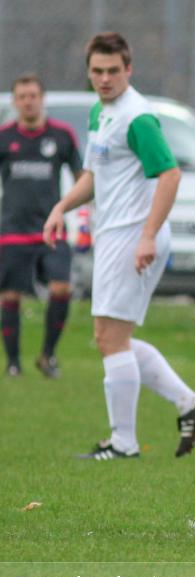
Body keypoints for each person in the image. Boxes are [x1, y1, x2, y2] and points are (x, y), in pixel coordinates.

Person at [42, 32, 195, 460]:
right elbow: (94, 177)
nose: (104, 79)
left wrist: (148, 235)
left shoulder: (138, 117)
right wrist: (61, 206)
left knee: (111, 339)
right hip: (115, 235)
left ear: (128, 70)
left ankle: (123, 444)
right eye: (97, 71)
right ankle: (189, 403)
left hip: (133, 235)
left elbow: (170, 175)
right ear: (89, 71)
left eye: (113, 71)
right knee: (110, 337)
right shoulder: (103, 113)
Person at [0, 74, 81, 378]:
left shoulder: (62, 136)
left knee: (61, 288)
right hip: (12, 230)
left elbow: (81, 176)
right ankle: (13, 363)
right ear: (15, 101)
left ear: (42, 98)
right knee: (9, 297)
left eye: (33, 95)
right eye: (22, 96)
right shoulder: (4, 137)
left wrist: (85, 214)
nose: (28, 101)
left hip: (52, 230)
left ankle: (47, 355)